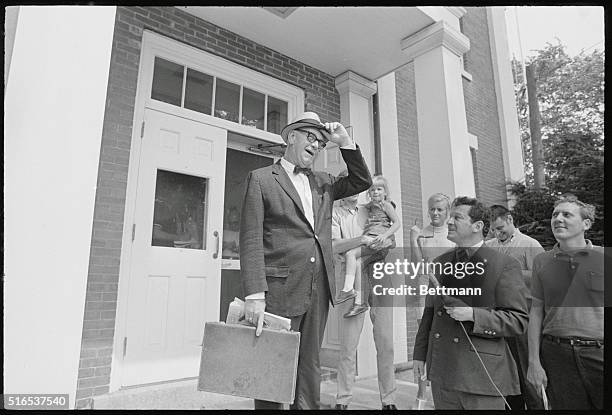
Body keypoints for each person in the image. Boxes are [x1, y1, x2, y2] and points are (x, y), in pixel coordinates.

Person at [239, 111, 372, 410]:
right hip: (278, 291)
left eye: (321, 143)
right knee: (271, 367)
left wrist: (345, 142)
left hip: (318, 289)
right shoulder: (261, 179)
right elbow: (250, 239)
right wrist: (255, 294)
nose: (316, 145)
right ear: (291, 137)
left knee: (309, 366)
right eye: (310, 137)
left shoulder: (324, 183)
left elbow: (362, 180)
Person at [413, 196, 529, 410]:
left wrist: (473, 314)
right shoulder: (441, 262)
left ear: (478, 226)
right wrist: (419, 354)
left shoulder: (504, 264)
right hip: (443, 373)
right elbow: (430, 313)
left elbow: (518, 320)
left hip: (482, 377)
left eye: (457, 217)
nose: (448, 221)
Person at [526, 194, 603, 410]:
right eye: (554, 215)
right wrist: (534, 362)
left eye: (567, 214)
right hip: (556, 356)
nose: (558, 219)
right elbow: (536, 312)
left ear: (586, 224)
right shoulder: (541, 261)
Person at [331, 193, 397, 410]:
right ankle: (343, 399)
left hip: (379, 274)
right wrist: (362, 240)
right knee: (348, 346)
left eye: (356, 186)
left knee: (385, 342)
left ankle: (389, 400)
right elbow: (334, 246)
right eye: (347, 185)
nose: (352, 191)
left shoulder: (368, 209)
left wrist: (386, 240)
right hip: (352, 278)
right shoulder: (334, 213)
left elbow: (390, 236)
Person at [486, 205, 545, 410]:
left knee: (527, 374)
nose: (497, 233)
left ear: (510, 219)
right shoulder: (489, 245)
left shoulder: (530, 244)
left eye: (500, 228)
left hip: (524, 318)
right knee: (507, 375)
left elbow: (543, 278)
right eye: (493, 229)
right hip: (498, 318)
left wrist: (510, 272)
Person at [336, 175, 401, 318]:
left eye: (379, 189)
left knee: (351, 255)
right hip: (371, 243)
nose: (375, 192)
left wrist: (385, 237)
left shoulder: (386, 205)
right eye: (372, 190)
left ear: (385, 192)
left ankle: (348, 290)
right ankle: (360, 302)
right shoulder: (367, 207)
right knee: (358, 263)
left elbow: (396, 223)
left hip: (377, 245)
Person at [410, 193, 455, 324]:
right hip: (425, 288)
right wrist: (413, 240)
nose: (435, 213)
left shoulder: (454, 234)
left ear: (447, 211)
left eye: (440, 209)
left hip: (449, 289)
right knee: (424, 330)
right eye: (432, 209)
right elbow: (416, 267)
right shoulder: (420, 234)